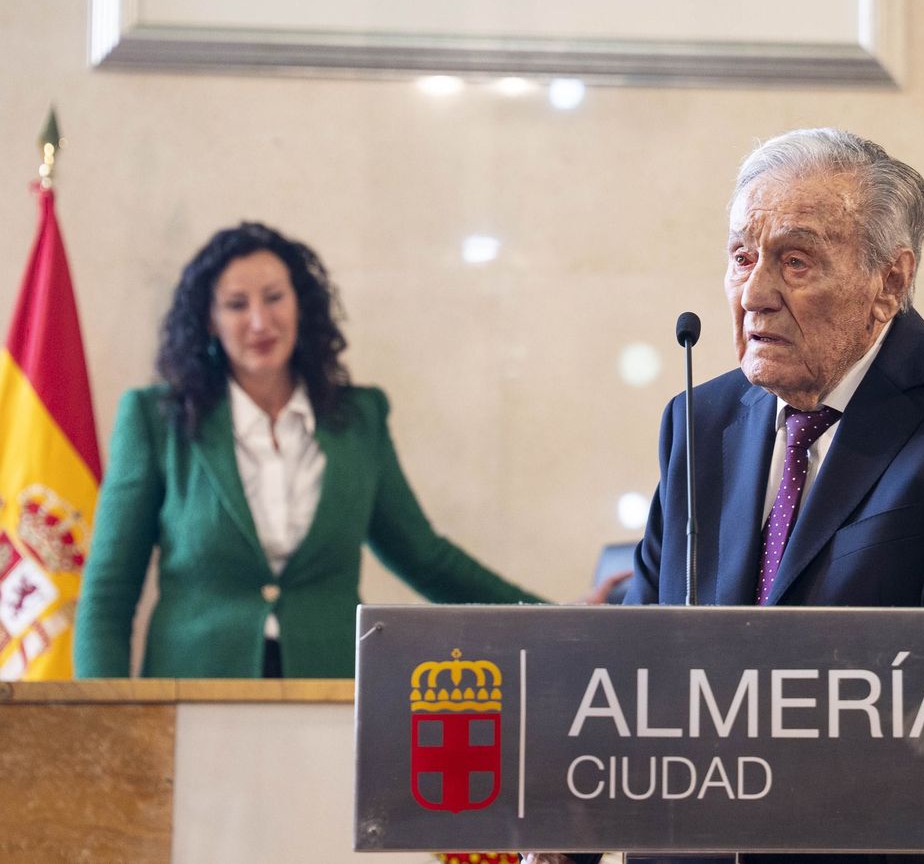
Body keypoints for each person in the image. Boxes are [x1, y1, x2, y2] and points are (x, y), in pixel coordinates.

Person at [628, 128, 924, 864]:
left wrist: (744, 746)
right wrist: (567, 812)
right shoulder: (699, 421)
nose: (755, 292)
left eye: (795, 261)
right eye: (741, 257)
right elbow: (636, 655)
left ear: (890, 283)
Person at [74, 222, 560, 679]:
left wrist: (557, 623)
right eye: (237, 304)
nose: (260, 320)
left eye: (274, 298)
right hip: (193, 696)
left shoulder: (359, 418)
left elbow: (426, 558)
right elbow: (110, 591)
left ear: (300, 305)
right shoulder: (155, 420)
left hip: (331, 694)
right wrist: (105, 724)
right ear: (209, 320)